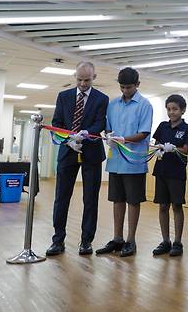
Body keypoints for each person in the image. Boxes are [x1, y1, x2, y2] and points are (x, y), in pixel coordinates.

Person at [46, 62, 109, 256]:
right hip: (67, 152)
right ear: (75, 76)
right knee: (61, 198)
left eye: (87, 80)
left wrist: (86, 133)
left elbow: (100, 122)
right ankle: (58, 240)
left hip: (91, 153)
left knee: (90, 199)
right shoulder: (63, 97)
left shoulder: (101, 98)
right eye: (79, 79)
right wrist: (68, 140)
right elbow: (56, 123)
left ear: (94, 78)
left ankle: (86, 241)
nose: (82, 83)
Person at [96, 67, 153, 257]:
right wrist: (109, 136)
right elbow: (108, 129)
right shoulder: (113, 105)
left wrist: (124, 140)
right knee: (117, 200)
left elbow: (144, 133)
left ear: (137, 85)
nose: (125, 91)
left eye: (129, 87)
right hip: (115, 162)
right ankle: (117, 238)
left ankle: (131, 240)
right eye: (122, 87)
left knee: (133, 201)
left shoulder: (145, 105)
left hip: (134, 162)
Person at [151, 94, 188, 257]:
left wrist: (173, 148)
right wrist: (160, 147)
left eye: (175, 109)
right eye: (168, 109)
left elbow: (186, 150)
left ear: (182, 110)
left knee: (176, 206)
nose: (171, 112)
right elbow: (155, 146)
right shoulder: (162, 126)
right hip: (161, 171)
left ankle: (177, 242)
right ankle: (165, 240)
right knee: (163, 206)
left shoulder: (187, 128)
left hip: (176, 173)